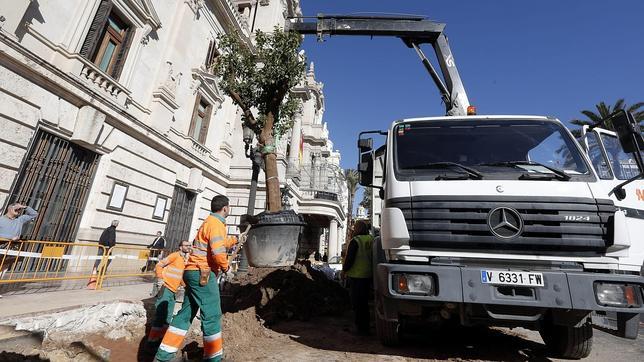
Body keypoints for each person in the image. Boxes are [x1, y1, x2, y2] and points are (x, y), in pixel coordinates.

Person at [155, 195, 233, 362]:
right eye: (228, 207)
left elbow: (217, 243)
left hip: (192, 272)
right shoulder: (217, 224)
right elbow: (218, 252)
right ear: (225, 208)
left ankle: (163, 356)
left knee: (185, 313)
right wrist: (226, 267)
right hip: (203, 273)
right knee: (212, 314)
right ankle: (213, 358)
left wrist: (234, 240)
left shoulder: (208, 222)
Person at [146, 239, 192, 348]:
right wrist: (160, 278)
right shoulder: (174, 256)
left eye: (189, 245)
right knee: (161, 315)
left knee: (168, 316)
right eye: (186, 245)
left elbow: (179, 275)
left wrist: (185, 286)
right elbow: (159, 265)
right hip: (166, 287)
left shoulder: (185, 259)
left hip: (173, 291)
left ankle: (161, 339)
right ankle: (152, 341)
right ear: (180, 247)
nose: (188, 247)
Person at [341, 220, 373, 336]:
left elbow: (350, 259)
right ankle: (366, 327)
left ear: (357, 229)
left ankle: (360, 328)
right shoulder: (372, 240)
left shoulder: (356, 241)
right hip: (368, 275)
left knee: (357, 304)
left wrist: (344, 271)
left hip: (356, 276)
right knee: (364, 303)